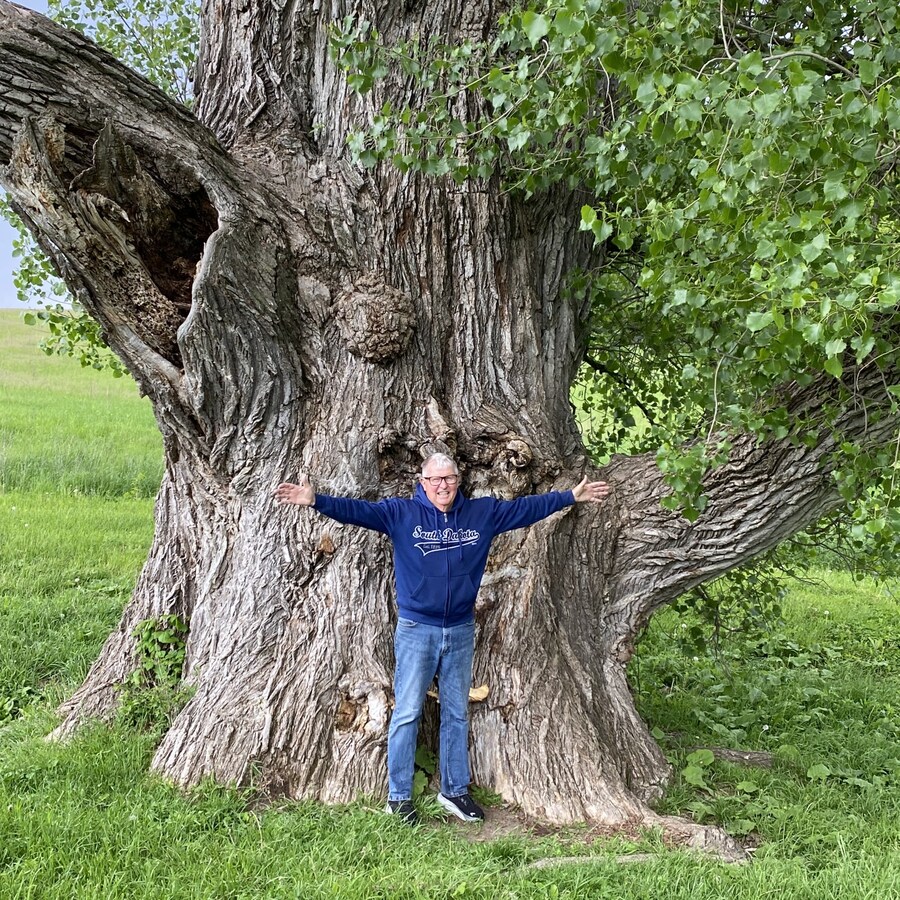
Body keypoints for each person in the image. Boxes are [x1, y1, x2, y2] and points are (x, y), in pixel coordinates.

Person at [275, 453, 610, 825]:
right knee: (406, 713)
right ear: (423, 482)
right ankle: (398, 797)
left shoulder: (482, 514)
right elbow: (358, 511)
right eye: (434, 480)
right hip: (418, 629)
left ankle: (454, 791)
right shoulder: (401, 514)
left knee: (456, 712)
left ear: (458, 479)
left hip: (461, 629)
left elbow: (525, 509)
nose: (442, 486)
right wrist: (316, 500)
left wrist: (568, 497)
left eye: (448, 479)